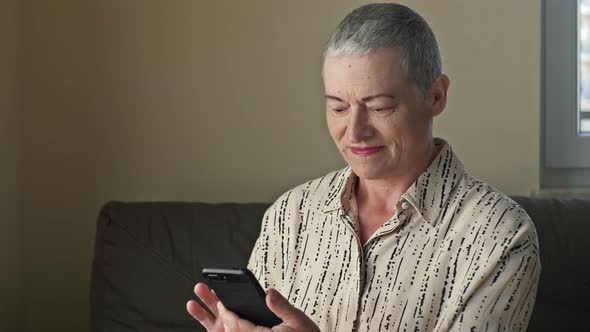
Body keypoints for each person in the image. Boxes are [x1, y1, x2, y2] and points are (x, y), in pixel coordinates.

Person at [186, 3, 541, 331]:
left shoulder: (500, 236)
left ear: (436, 96)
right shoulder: (290, 214)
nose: (354, 131)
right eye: (338, 107)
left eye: (380, 106)